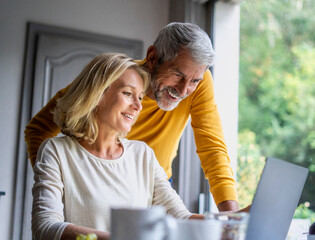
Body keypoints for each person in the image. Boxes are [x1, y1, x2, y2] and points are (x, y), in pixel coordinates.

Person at [25, 22, 240, 212]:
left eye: (193, 81)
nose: (184, 91)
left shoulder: (199, 82)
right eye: (177, 75)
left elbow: (213, 149)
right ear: (153, 57)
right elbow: (38, 130)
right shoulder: (114, 78)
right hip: (99, 185)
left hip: (156, 185)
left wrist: (231, 218)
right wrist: (53, 185)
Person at [32, 53, 201, 240]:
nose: (138, 106)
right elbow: (45, 228)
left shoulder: (142, 154)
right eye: (128, 94)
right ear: (97, 95)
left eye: (140, 97)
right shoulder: (56, 151)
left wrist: (233, 219)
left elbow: (181, 217)